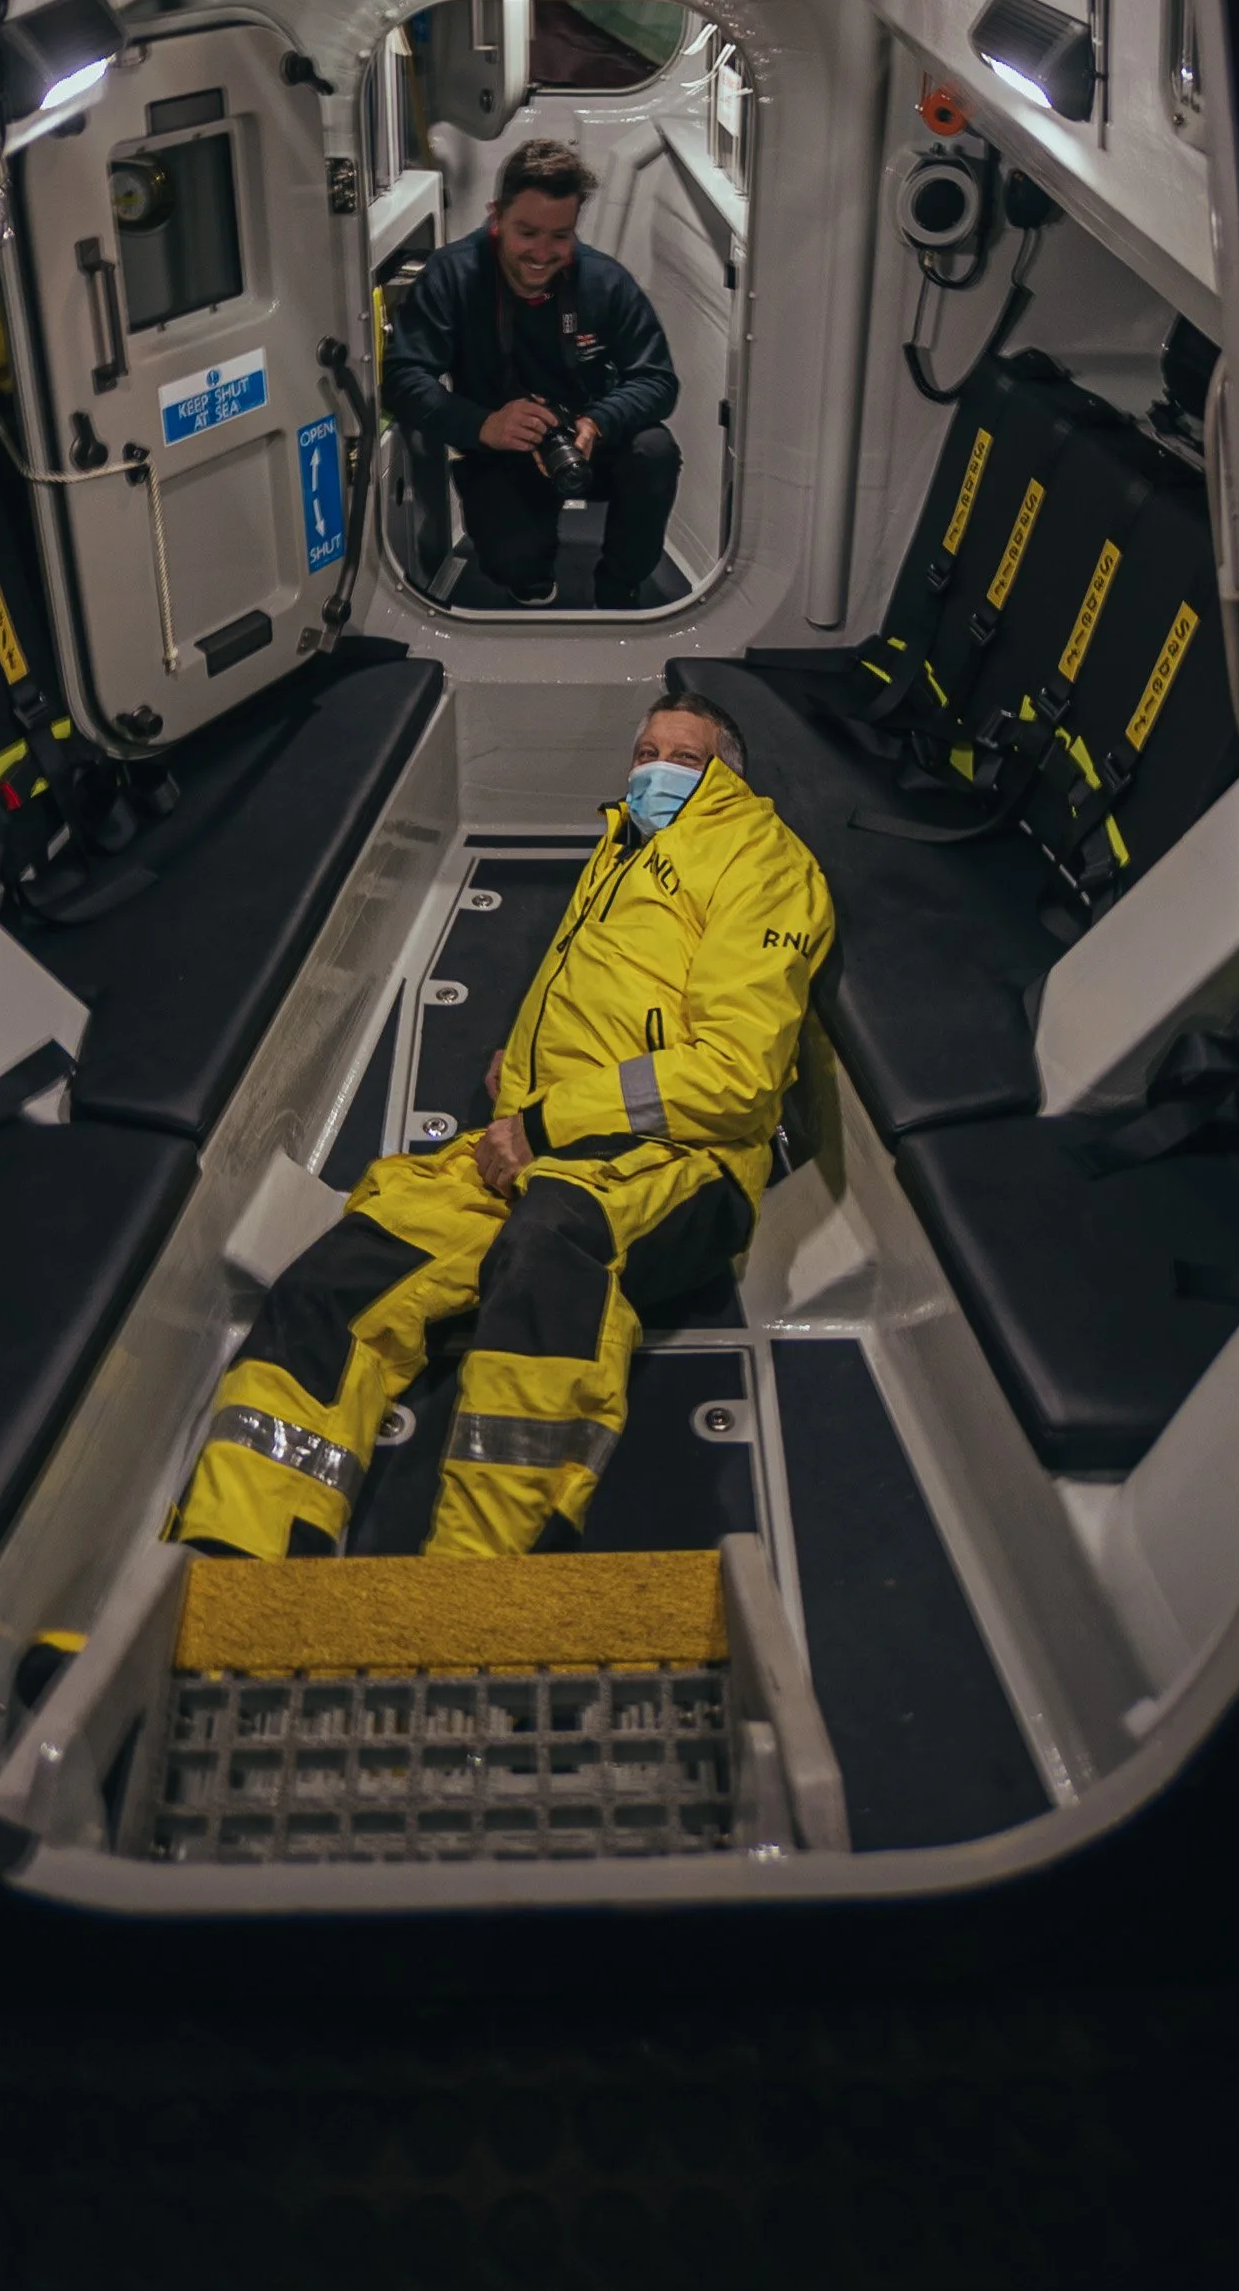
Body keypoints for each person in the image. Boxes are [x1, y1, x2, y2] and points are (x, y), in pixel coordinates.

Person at [170, 694, 834, 1559]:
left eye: (682, 755)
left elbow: (735, 1077)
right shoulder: (623, 849)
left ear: (728, 777)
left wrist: (547, 1124)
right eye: (644, 752)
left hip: (683, 1161)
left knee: (551, 1247)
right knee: (339, 1277)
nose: (654, 769)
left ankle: (486, 1578)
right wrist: (519, 1080)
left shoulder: (762, 862)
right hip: (542, 1141)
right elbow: (606, 1000)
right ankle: (230, 1562)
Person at [381, 132, 680, 607]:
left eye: (560, 236)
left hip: (587, 442)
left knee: (654, 449)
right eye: (527, 233)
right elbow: (403, 378)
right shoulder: (452, 275)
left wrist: (596, 423)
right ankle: (530, 575)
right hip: (500, 445)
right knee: (514, 566)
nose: (542, 253)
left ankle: (620, 584)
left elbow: (657, 380)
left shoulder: (604, 281)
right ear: (495, 215)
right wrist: (483, 425)